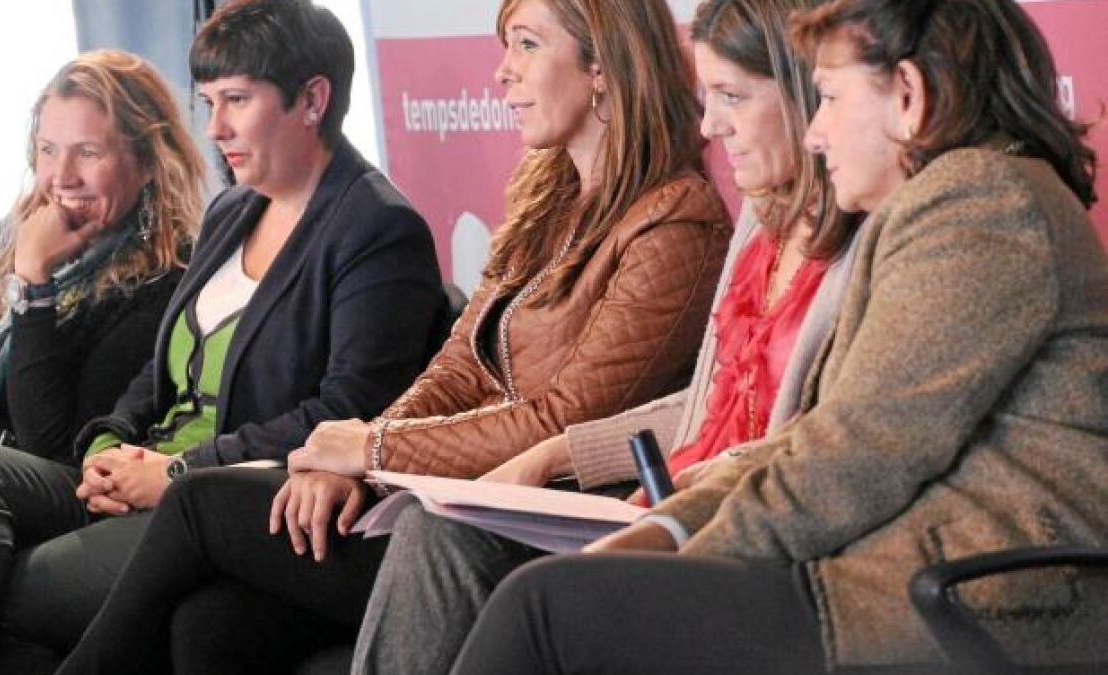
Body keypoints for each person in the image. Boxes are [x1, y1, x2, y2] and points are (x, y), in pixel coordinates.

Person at [57, 0, 730, 672]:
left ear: (602, 66)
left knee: (198, 502)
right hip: (454, 494)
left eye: (526, 45)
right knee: (210, 625)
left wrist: (372, 450)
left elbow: (565, 416)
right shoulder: (547, 201)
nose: (502, 71)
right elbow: (456, 368)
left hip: (540, 521)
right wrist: (364, 464)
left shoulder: (675, 222)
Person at [451, 0, 1108, 672]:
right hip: (902, 581)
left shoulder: (978, 202)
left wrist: (681, 557)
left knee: (546, 607)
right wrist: (666, 529)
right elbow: (824, 435)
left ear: (908, 95)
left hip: (978, 606)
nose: (815, 132)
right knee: (553, 596)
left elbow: (857, 451)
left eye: (829, 98)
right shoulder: (965, 198)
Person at [0, 2, 450, 672]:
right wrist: (109, 443)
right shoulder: (234, 209)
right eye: (209, 102)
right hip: (141, 469)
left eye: (236, 101)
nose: (216, 126)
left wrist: (172, 471)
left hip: (220, 494)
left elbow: (348, 409)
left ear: (312, 100)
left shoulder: (375, 227)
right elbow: (160, 370)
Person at [348, 1, 865, 672]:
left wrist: (373, 448)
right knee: (237, 580)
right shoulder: (756, 217)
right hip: (672, 503)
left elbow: (813, 439)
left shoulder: (687, 217)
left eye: (732, 96)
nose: (710, 124)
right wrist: (370, 450)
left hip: (732, 529)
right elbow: (705, 404)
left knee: (460, 550)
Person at [0, 48, 200, 478]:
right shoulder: (10, 241)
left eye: (88, 152)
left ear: (147, 164)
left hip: (45, 490)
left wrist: (33, 284)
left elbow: (50, 445)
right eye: (48, 150)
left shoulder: (169, 278)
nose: (62, 176)